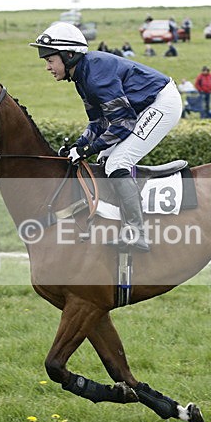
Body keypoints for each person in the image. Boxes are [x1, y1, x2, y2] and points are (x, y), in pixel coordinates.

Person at [29, 22, 182, 252]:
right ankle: (116, 220)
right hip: (142, 106)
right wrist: (79, 145)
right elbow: (99, 122)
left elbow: (123, 122)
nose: (47, 67)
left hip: (162, 103)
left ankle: (136, 232)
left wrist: (86, 150)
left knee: (118, 162)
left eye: (50, 60)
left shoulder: (95, 76)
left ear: (69, 55)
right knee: (105, 159)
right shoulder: (82, 78)